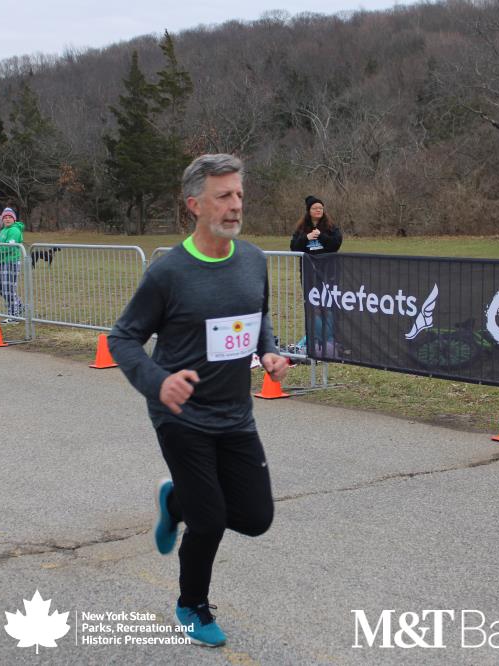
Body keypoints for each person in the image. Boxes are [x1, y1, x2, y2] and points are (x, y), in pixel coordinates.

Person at [108, 154, 290, 648]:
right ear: (195, 205)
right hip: (180, 414)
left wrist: (269, 351)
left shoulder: (253, 259)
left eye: (239, 194)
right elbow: (122, 338)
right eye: (223, 196)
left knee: (256, 518)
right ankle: (192, 605)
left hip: (235, 413)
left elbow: (258, 316)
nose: (236, 205)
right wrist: (157, 382)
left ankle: (176, 499)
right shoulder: (168, 273)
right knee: (208, 521)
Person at [289, 196, 343, 354]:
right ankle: (316, 339)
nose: (318, 210)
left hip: (328, 273)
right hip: (309, 274)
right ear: (309, 211)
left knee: (328, 305)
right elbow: (294, 247)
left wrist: (321, 236)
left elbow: (336, 244)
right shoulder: (301, 229)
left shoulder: (330, 227)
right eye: (315, 208)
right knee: (314, 306)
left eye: (320, 208)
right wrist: (306, 238)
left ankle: (331, 339)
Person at [0, 208, 24, 323]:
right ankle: (19, 306)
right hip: (1, 262)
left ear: (14, 219)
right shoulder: (3, 231)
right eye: (5, 217)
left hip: (11, 262)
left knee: (9, 289)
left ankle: (14, 316)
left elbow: (8, 247)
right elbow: (0, 247)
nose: (7, 219)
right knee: (1, 288)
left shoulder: (14, 231)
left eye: (10, 217)